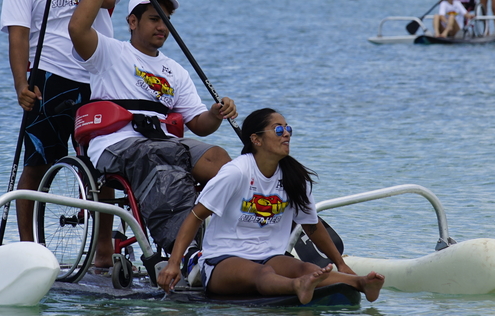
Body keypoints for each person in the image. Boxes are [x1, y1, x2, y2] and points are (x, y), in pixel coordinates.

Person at [68, 0, 238, 254]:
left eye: (167, 20)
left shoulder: (176, 70)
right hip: (117, 146)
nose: (162, 26)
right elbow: (77, 28)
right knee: (163, 162)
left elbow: (199, 125)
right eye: (153, 19)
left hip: (164, 146)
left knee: (220, 160)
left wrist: (216, 113)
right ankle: (183, 253)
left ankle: (237, 239)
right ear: (132, 21)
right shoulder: (109, 52)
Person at [157, 109, 385, 304]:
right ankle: (298, 286)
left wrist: (341, 264)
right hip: (222, 259)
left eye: (288, 129)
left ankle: (360, 282)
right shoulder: (236, 172)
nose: (286, 134)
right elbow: (195, 216)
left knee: (306, 268)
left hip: (271, 256)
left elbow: (312, 226)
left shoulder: (295, 177)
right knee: (262, 272)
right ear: (256, 140)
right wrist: (173, 264)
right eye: (278, 130)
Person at [0, 0, 119, 253]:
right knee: (38, 166)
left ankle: (102, 253)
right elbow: (19, 35)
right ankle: (29, 251)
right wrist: (21, 85)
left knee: (104, 168)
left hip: (101, 77)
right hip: (49, 79)